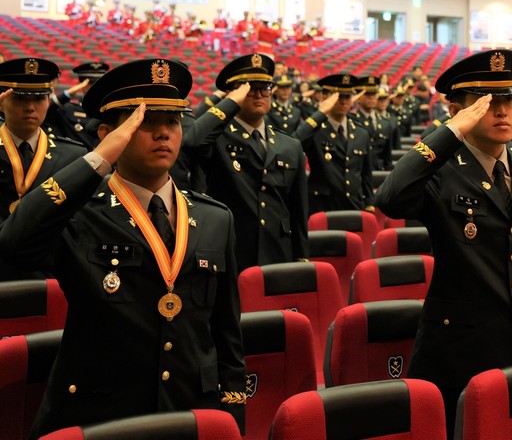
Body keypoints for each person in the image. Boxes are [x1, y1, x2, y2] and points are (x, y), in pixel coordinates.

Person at [0, 58, 245, 437]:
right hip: (101, 413)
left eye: (173, 121)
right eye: (144, 122)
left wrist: (232, 417)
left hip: (190, 409)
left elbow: (227, 335)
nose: (163, 133)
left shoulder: (215, 218)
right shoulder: (79, 215)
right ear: (108, 134)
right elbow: (13, 242)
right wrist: (97, 159)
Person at [374, 49, 512, 437]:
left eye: (508, 100)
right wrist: (450, 133)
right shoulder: (440, 173)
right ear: (457, 111)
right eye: (486, 103)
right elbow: (390, 198)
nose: (502, 111)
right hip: (463, 352)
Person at [184, 53, 309, 270]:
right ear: (234, 94)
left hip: (278, 253)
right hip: (232, 252)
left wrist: (301, 259)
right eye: (250, 88)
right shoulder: (217, 139)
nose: (259, 94)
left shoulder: (290, 145)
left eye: (265, 88)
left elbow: (298, 211)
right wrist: (230, 102)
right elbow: (191, 141)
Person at [0, 59, 89, 277]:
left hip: (49, 273)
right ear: (1, 102)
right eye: (20, 98)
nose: (30, 107)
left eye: (39, 98)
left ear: (49, 101)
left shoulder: (73, 156)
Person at [295, 74, 374, 214]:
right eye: (337, 97)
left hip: (354, 206)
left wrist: (369, 204)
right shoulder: (315, 130)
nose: (343, 101)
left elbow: (366, 175)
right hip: (322, 208)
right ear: (324, 97)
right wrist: (320, 113)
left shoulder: (361, 133)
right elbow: (294, 144)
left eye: (347, 97)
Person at [354, 75, 393, 171]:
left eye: (374, 93)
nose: (371, 97)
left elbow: (387, 158)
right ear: (358, 97)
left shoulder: (385, 123)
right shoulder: (353, 121)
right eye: (367, 94)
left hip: (379, 172)